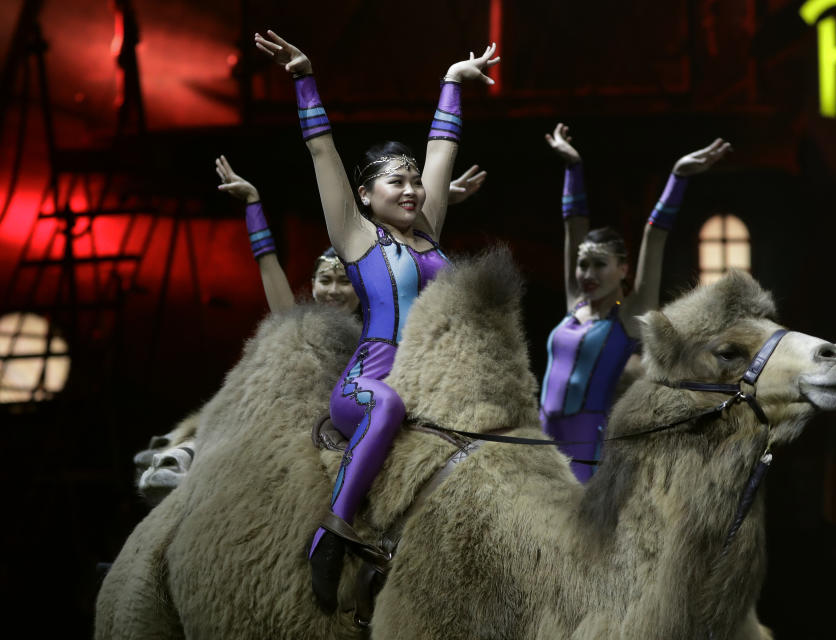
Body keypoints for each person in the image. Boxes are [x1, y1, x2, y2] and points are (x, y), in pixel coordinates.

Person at [254, 29, 499, 610]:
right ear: (365, 195)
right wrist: (304, 80)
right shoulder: (357, 238)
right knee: (385, 406)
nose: (413, 188)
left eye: (415, 180)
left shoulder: (428, 232)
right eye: (397, 180)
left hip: (432, 384)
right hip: (367, 386)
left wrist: (451, 83)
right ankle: (331, 534)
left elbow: (441, 149)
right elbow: (322, 152)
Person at [540, 123, 731, 482]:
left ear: (623, 270)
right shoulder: (574, 304)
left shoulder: (627, 316)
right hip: (539, 440)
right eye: (583, 264)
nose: (587, 273)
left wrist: (678, 177)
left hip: (586, 449)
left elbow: (654, 235)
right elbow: (573, 225)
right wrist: (573, 167)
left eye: (600, 264)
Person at [215, 155, 487, 313]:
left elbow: (402, 240)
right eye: (325, 280)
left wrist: (432, 202)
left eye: (344, 282)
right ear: (312, 285)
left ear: (362, 286)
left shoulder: (385, 326)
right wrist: (252, 203)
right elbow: (269, 265)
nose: (333, 290)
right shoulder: (305, 332)